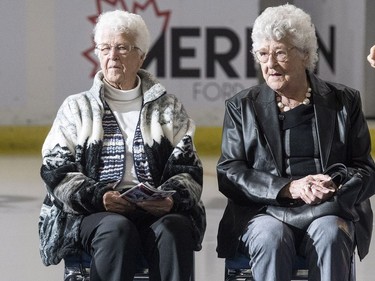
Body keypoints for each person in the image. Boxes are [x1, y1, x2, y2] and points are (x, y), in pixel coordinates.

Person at [38, 10, 206, 281]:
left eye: (122, 47)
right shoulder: (76, 108)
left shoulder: (169, 107)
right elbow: (55, 170)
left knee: (175, 228)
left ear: (141, 56)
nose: (112, 55)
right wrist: (98, 197)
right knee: (117, 229)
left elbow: (189, 170)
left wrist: (170, 198)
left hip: (157, 209)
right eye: (104, 47)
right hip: (94, 212)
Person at [216, 4, 375, 281]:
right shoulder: (241, 106)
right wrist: (288, 188)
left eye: (279, 52)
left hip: (328, 209)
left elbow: (365, 170)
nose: (270, 64)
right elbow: (230, 173)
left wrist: (334, 186)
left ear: (304, 54)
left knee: (331, 233)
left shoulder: (344, 101)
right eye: (263, 54)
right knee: (270, 237)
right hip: (265, 211)